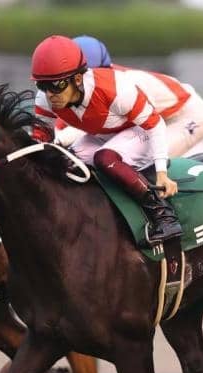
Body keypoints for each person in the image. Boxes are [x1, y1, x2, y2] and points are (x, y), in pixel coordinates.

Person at [31, 35, 183, 245]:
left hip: (141, 132)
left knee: (104, 158)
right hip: (103, 135)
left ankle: (164, 216)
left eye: (57, 85)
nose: (50, 94)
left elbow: (155, 125)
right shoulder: (44, 99)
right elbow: (41, 141)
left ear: (77, 79)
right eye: (42, 85)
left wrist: (162, 174)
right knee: (68, 162)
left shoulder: (116, 89)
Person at [52, 35, 203, 160]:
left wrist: (59, 140)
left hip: (186, 116)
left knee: (139, 161)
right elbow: (62, 124)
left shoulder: (123, 85)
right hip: (154, 115)